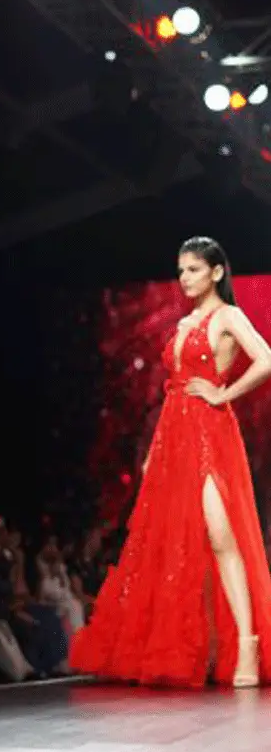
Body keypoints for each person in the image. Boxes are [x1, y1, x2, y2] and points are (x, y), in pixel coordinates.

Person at [70, 237, 271, 688]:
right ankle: (206, 646)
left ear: (216, 272)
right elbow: (174, 389)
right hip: (173, 438)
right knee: (179, 542)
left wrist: (223, 393)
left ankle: (248, 642)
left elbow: (266, 360)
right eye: (181, 270)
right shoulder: (184, 323)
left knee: (221, 536)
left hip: (210, 432)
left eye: (194, 269)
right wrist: (153, 452)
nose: (184, 278)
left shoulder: (228, 316)